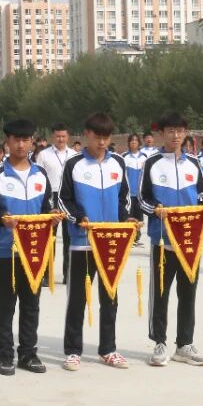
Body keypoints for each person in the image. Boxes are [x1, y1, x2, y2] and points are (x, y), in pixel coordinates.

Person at [57, 112, 134, 371]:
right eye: (97, 136)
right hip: (82, 241)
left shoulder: (118, 163)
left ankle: (108, 349)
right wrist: (78, 218)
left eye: (106, 137)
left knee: (110, 297)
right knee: (77, 298)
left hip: (111, 242)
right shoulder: (74, 165)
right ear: (87, 134)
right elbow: (63, 200)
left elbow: (124, 198)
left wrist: (125, 219)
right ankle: (73, 350)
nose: (102, 142)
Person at [0, 120, 53, 376]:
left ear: (32, 142)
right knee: (6, 304)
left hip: (34, 251)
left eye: (26, 139)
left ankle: (28, 353)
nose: (21, 144)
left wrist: (51, 218)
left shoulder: (41, 175)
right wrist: (2, 219)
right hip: (6, 250)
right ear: (7, 142)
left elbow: (46, 208)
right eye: (16, 140)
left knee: (31, 303)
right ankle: (5, 353)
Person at [140, 112, 203, 367]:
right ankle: (159, 342)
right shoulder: (152, 163)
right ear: (162, 133)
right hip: (163, 239)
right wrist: (155, 209)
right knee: (160, 293)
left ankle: (184, 344)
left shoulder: (194, 163)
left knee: (188, 293)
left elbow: (202, 195)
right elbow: (143, 198)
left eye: (180, 131)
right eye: (170, 130)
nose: (175, 135)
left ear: (185, 133)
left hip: (190, 241)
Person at [35, 124, 74, 281]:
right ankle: (46, 275)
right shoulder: (44, 155)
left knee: (69, 237)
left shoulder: (74, 155)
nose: (61, 139)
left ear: (68, 137)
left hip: (69, 197)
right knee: (48, 238)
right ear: (53, 136)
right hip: (50, 196)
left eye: (63, 136)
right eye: (58, 136)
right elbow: (37, 177)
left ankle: (68, 274)